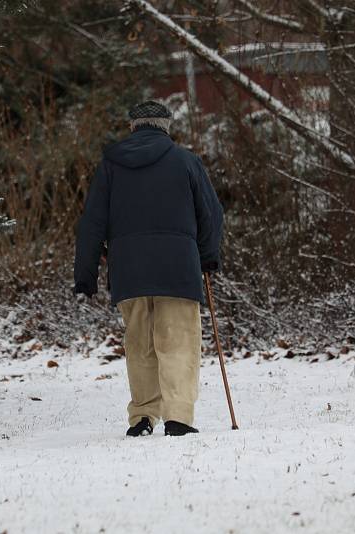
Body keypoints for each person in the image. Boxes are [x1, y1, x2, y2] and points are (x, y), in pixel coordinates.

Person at [74, 100, 224, 437]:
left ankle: (142, 416)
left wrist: (85, 275)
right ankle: (178, 417)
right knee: (178, 340)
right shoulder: (186, 161)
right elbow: (211, 214)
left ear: (132, 127)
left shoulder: (111, 166)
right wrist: (208, 255)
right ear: (166, 126)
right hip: (178, 266)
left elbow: (91, 224)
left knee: (140, 342)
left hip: (129, 268)